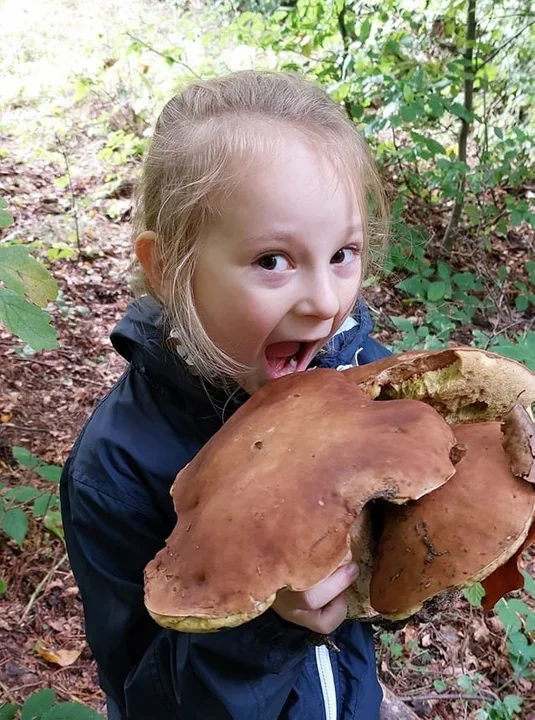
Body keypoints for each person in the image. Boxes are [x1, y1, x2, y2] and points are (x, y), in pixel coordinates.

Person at [60, 70, 392, 720]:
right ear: (166, 267)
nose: (325, 303)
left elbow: (391, 573)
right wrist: (266, 620)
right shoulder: (117, 473)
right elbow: (146, 701)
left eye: (343, 253)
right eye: (273, 260)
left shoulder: (357, 376)